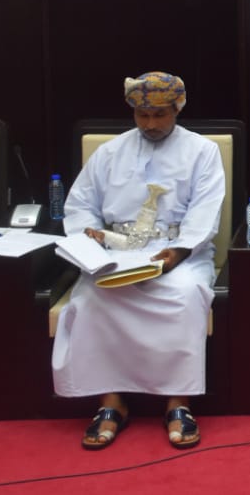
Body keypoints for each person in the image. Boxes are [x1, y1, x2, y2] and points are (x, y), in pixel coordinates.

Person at [53, 71, 226, 450]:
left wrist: (179, 251)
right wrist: (90, 237)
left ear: (178, 108)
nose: (150, 124)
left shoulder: (202, 151)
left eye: (159, 115)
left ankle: (178, 403)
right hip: (116, 253)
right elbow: (80, 205)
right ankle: (111, 403)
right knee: (91, 298)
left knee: (184, 295)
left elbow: (205, 210)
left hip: (177, 251)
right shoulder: (108, 153)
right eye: (142, 116)